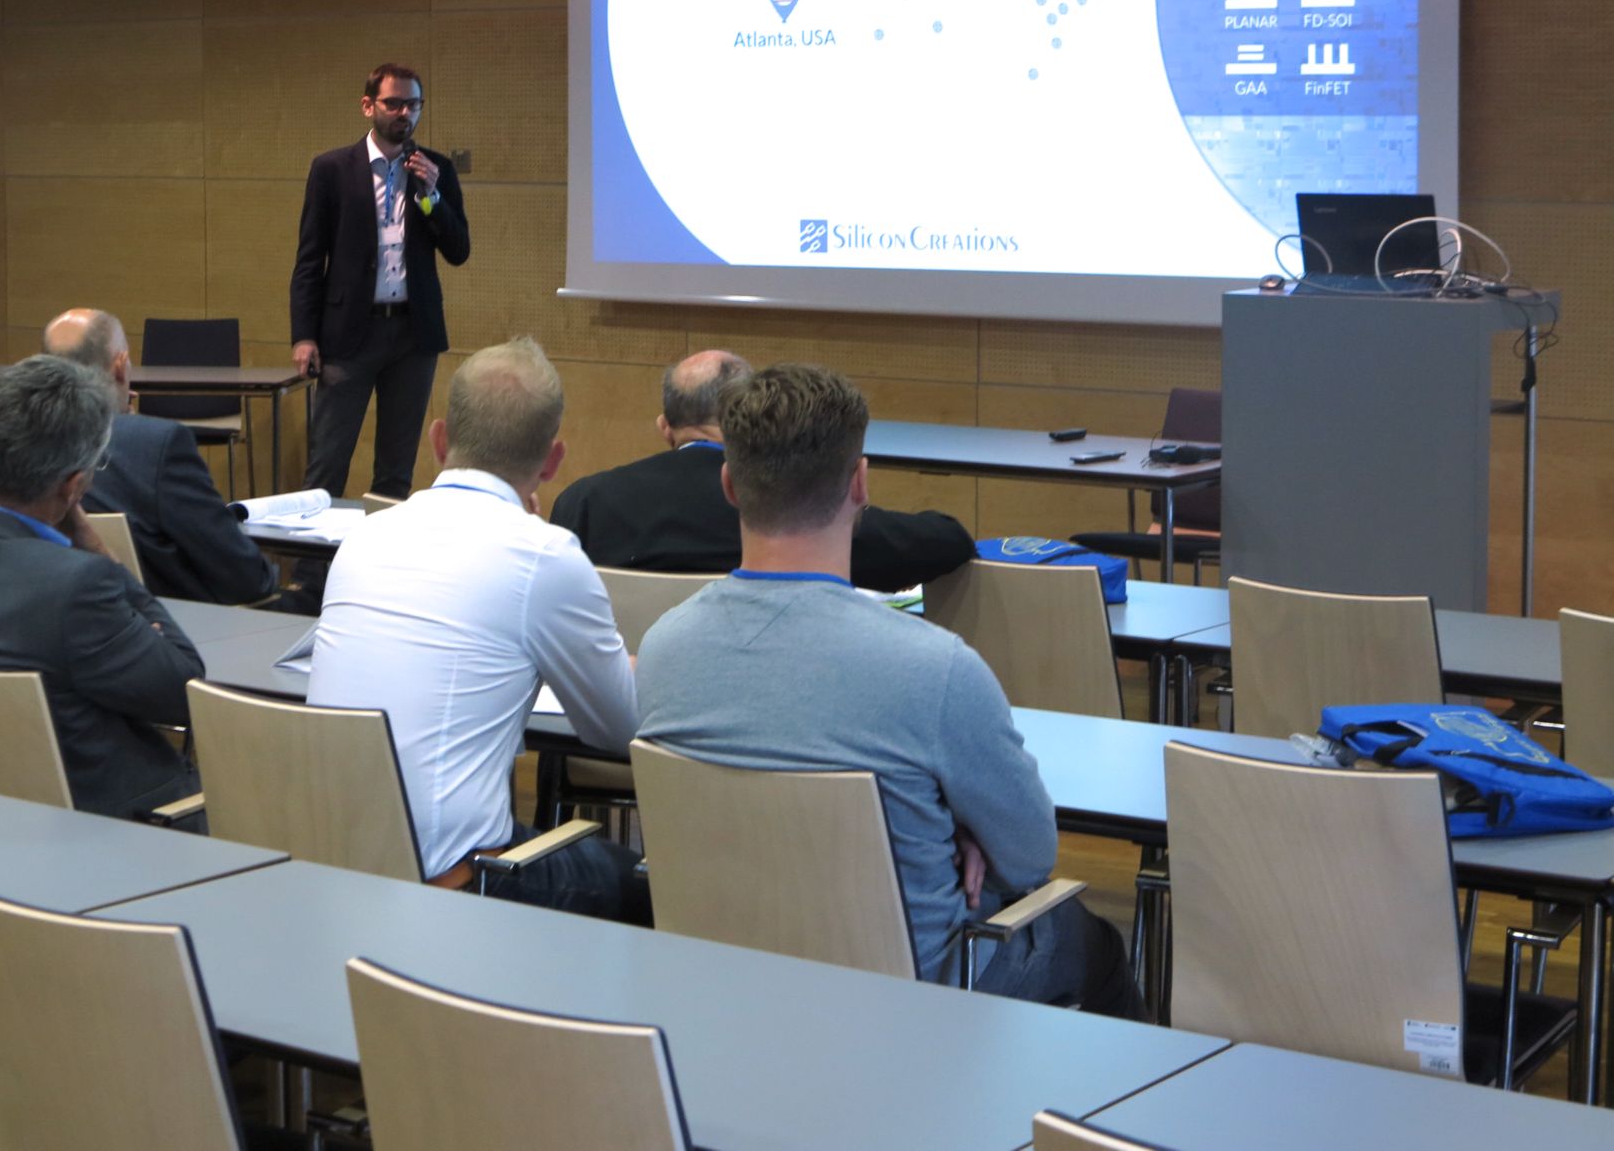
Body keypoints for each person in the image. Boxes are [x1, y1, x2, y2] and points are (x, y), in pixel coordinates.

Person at [634, 362, 1143, 1017]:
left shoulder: (664, 650)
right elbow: (1029, 857)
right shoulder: (936, 669)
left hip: (721, 988)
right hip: (909, 1002)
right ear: (860, 483)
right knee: (1088, 941)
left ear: (729, 484)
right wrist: (953, 832)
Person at [307, 337, 645, 921]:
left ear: (439, 439)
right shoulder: (544, 556)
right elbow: (619, 728)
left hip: (326, 864)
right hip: (453, 884)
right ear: (552, 461)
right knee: (652, 883)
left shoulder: (365, 534)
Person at [0, 354, 205, 820]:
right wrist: (102, 553)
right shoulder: (79, 584)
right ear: (74, 486)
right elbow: (185, 689)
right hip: (107, 826)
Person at [550, 349, 975, 589]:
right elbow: (945, 544)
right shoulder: (785, 504)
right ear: (748, 421)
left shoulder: (582, 504)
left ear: (665, 428)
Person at [290, 65, 470, 498]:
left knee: (395, 472)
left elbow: (458, 250)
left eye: (414, 104)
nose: (404, 113)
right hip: (348, 333)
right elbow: (310, 259)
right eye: (394, 103)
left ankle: (384, 543)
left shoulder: (436, 170)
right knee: (327, 464)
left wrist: (432, 197)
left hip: (413, 335)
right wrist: (304, 336)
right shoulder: (332, 169)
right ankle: (314, 547)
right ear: (368, 106)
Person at [42, 307, 280, 606]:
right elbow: (247, 579)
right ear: (120, 367)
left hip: (65, 608)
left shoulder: (26, 443)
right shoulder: (158, 445)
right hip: (179, 616)